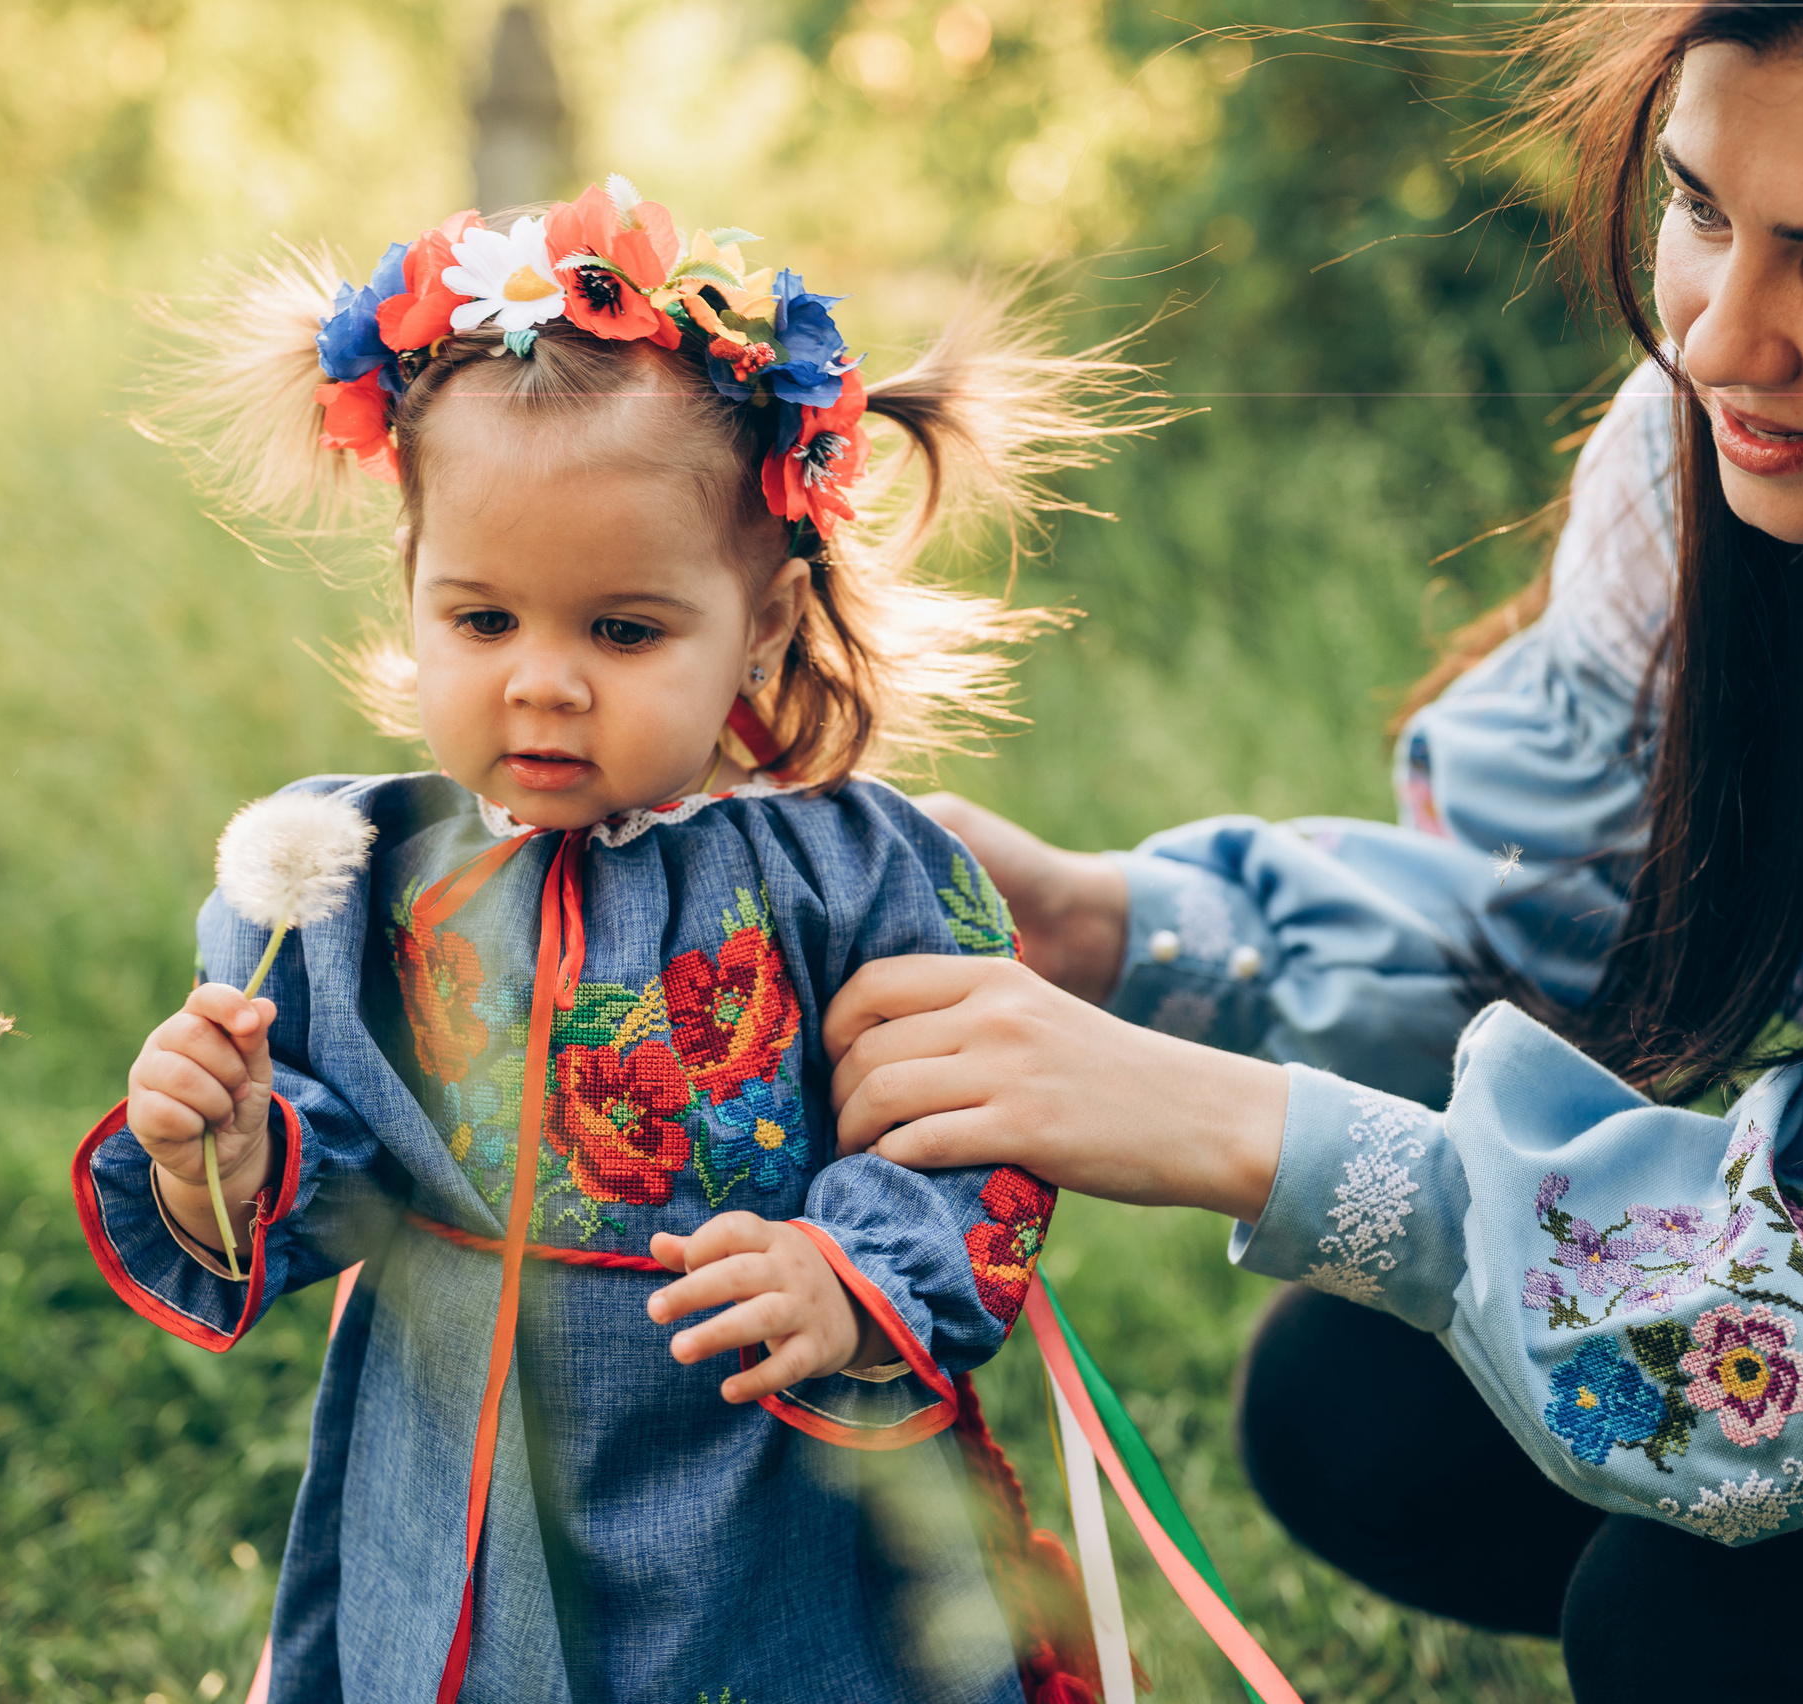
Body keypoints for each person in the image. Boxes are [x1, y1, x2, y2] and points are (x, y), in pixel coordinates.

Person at [820, 6, 1803, 1696]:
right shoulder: (1719, 469)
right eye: (1700, 209)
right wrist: (1111, 927)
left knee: (1708, 1629)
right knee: (1358, 1409)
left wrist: (1242, 1132)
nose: (1720, 339)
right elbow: (1558, 905)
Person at [70, 180, 1143, 1704]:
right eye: (482, 621)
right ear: (411, 585)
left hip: (767, 1482)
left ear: (761, 624)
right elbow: (326, 1167)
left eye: (624, 631)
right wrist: (221, 1157)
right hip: (462, 1474)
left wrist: (846, 1277)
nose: (544, 683)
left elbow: (976, 1128)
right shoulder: (357, 881)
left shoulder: (850, 876)